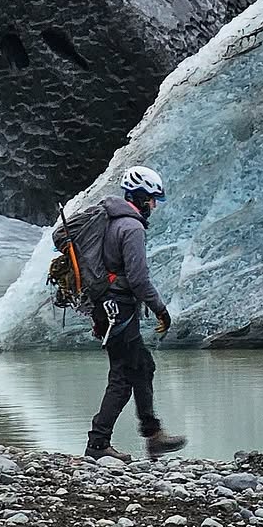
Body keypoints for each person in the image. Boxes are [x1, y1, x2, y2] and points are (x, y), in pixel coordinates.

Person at [85, 165, 187, 464]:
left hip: (108, 307)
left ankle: (153, 435)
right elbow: (139, 278)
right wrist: (161, 310)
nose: (154, 205)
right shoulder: (131, 228)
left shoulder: (112, 221)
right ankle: (98, 443)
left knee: (142, 366)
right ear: (140, 197)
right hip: (120, 309)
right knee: (123, 376)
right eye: (152, 199)